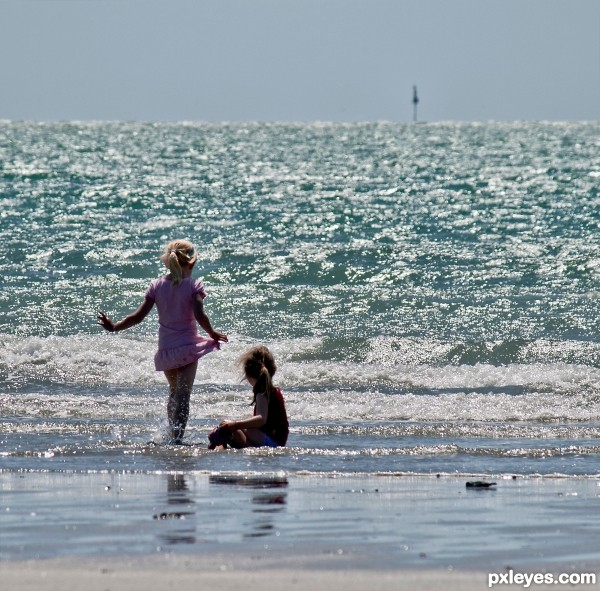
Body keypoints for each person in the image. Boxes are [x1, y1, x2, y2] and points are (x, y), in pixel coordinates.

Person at [98, 239, 228, 443]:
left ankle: (171, 432)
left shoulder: (157, 286)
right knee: (184, 396)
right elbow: (199, 313)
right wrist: (212, 332)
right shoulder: (193, 285)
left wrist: (114, 327)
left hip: (166, 350)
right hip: (187, 348)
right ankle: (177, 438)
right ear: (192, 263)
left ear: (168, 261)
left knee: (174, 393)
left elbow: (137, 317)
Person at [208, 346, 288, 449]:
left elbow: (261, 419)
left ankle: (245, 447)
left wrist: (235, 424)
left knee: (229, 427)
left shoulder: (262, 392)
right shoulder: (271, 391)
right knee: (229, 429)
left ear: (249, 374)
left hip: (272, 441)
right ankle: (220, 446)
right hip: (276, 440)